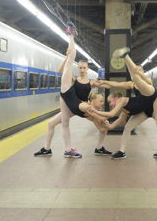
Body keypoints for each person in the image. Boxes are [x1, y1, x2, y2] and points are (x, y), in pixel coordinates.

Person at [90, 49, 157, 160]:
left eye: (139, 69)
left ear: (142, 71)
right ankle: (122, 151)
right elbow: (116, 84)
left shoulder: (147, 81)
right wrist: (104, 82)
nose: (136, 70)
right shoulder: (132, 84)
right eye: (136, 69)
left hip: (154, 105)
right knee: (128, 127)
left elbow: (140, 78)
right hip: (144, 110)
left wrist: (138, 73)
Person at [35, 23, 110, 159]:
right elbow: (60, 70)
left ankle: (98, 148)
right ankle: (47, 148)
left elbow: (104, 85)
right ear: (78, 68)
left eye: (84, 67)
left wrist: (122, 85)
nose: (81, 69)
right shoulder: (74, 80)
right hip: (71, 104)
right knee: (51, 124)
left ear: (87, 69)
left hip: (81, 107)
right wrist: (67, 56)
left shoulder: (91, 82)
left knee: (102, 126)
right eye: (80, 67)